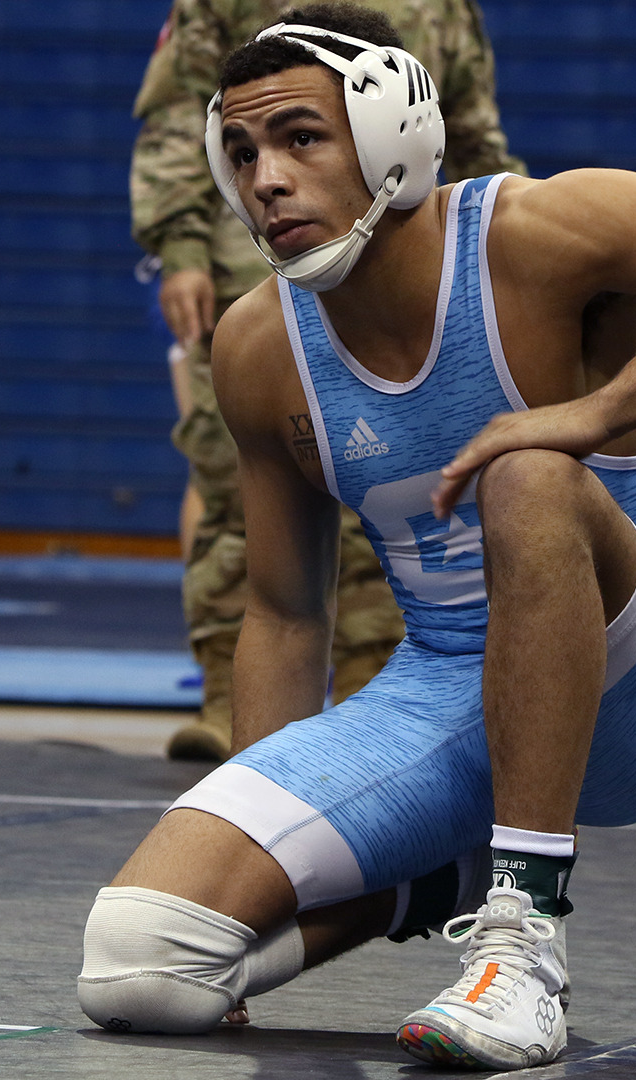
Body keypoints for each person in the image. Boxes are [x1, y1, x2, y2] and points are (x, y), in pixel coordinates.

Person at [76, 6, 636, 1070]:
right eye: (242, 151)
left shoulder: (536, 236)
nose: (265, 177)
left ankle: (524, 942)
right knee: (141, 968)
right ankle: (435, 882)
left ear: (392, 134)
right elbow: (284, 610)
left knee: (529, 472)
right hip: (443, 690)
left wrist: (600, 409)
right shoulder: (260, 343)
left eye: (301, 138)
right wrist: (269, 894)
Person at [132, 0, 525, 762]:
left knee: (401, 474)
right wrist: (179, 245)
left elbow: (468, 124)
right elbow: (186, 116)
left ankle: (374, 686)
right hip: (258, 262)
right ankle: (227, 696)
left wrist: (504, 250)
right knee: (238, 483)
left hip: (405, 256)